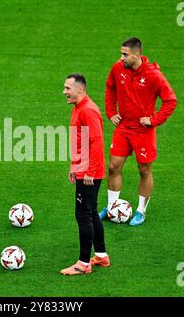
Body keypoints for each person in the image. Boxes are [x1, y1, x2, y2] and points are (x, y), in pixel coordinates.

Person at [99, 37, 177, 225]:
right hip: (123, 127)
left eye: (125, 54)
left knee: (144, 170)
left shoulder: (154, 76)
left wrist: (153, 120)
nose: (121, 58)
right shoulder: (118, 68)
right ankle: (112, 207)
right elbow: (110, 88)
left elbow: (170, 101)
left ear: (137, 54)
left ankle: (141, 210)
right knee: (113, 167)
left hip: (143, 131)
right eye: (121, 53)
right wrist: (111, 112)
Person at [60, 74, 110, 275]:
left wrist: (89, 170)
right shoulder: (79, 108)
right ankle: (101, 256)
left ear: (80, 89)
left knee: (83, 215)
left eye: (67, 88)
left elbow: (96, 141)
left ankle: (83, 264)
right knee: (90, 212)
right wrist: (74, 165)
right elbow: (79, 140)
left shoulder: (88, 110)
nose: (64, 92)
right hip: (84, 169)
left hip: (90, 172)